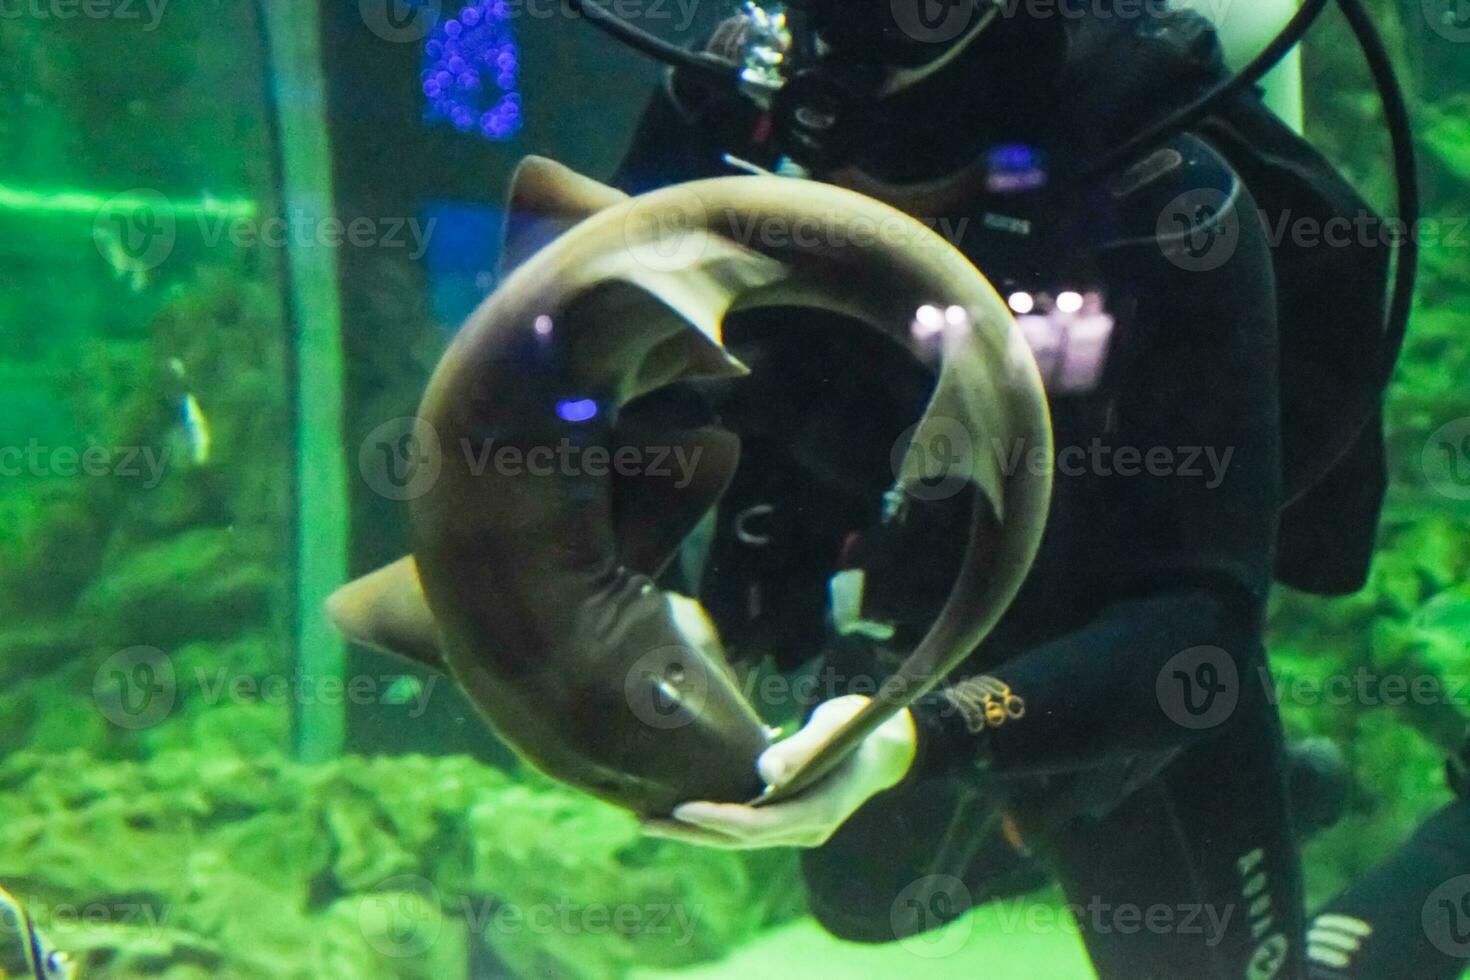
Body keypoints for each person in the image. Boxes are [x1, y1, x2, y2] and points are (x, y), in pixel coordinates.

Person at [604, 2, 1470, 977]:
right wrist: (635, 603)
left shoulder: (1157, 183)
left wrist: (912, 742)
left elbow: (1199, 621)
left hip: (1106, 616)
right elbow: (583, 409)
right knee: (859, 897)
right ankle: (1145, 808)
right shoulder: (722, 118)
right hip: (883, 586)